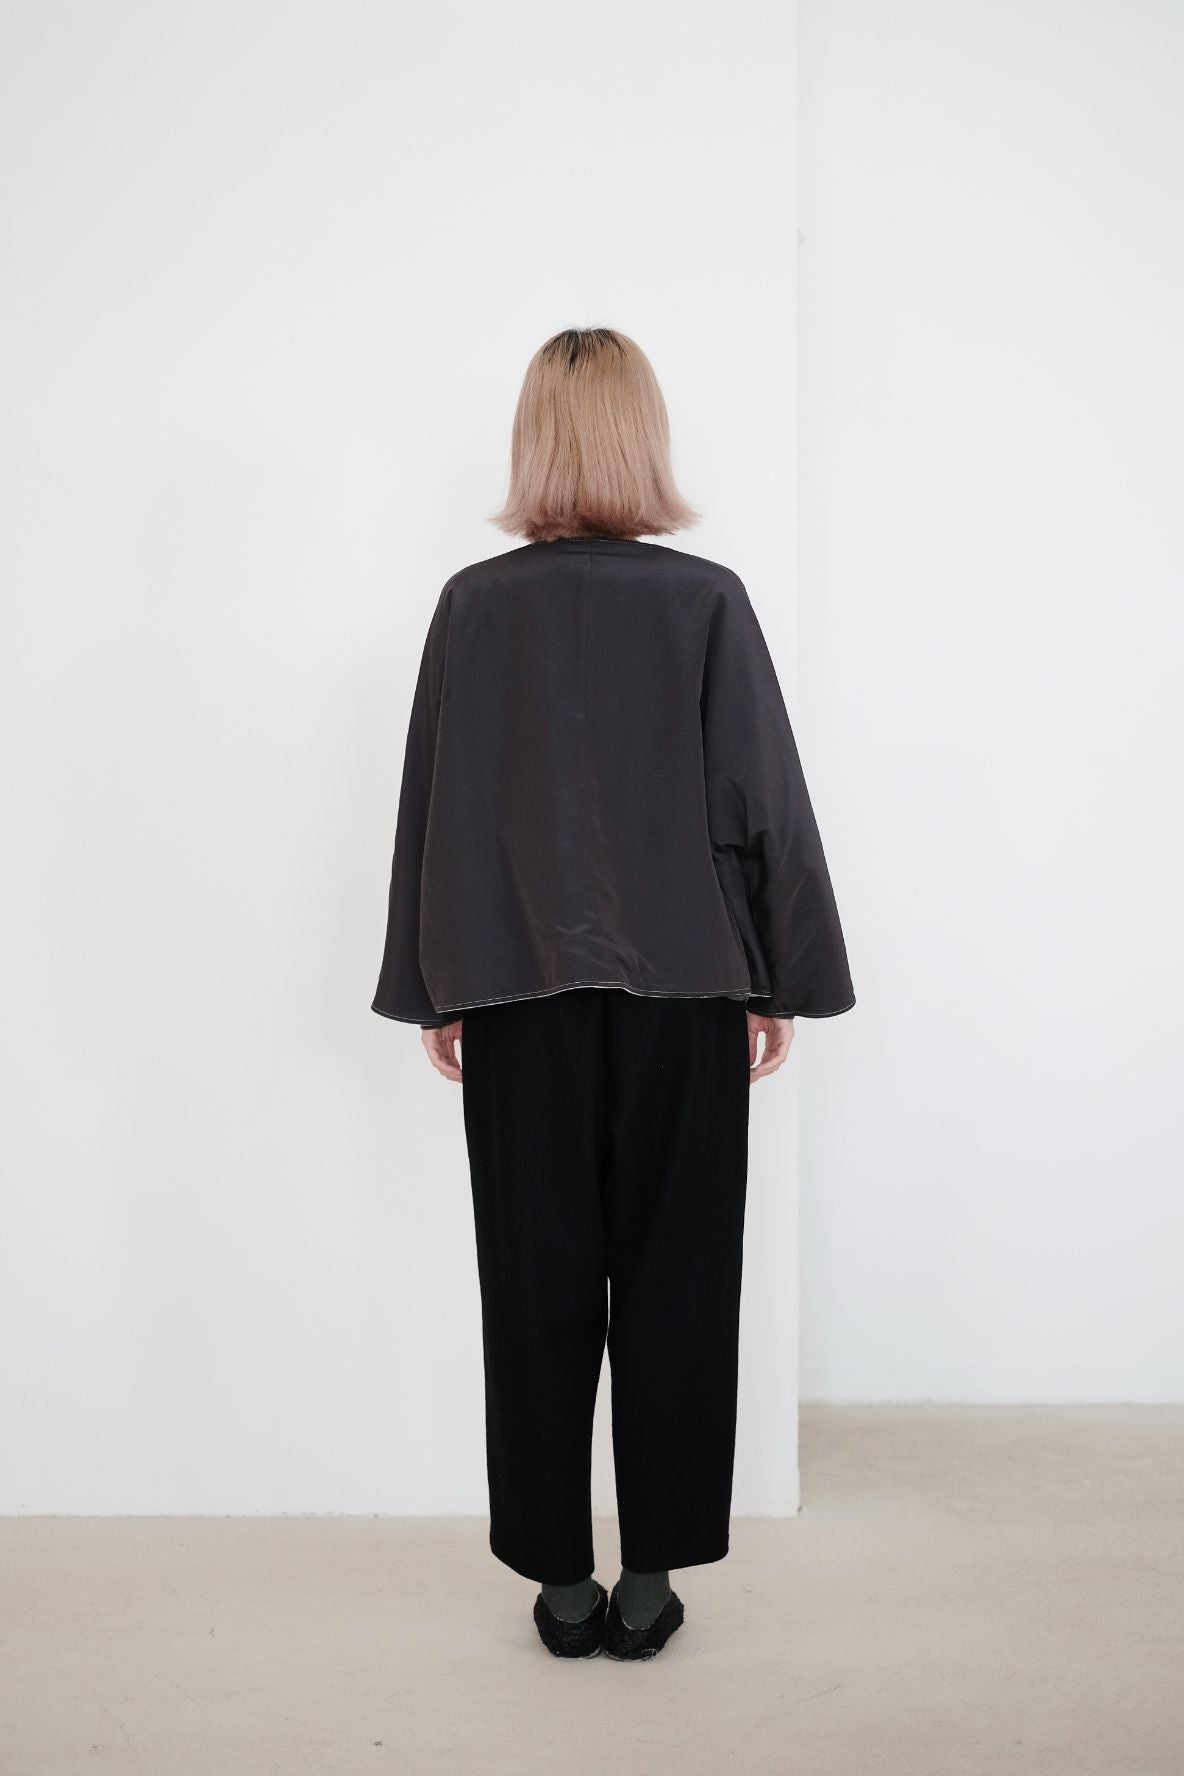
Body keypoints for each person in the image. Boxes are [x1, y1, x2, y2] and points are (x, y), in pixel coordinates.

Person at [372, 326, 854, 1661]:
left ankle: (560, 1580)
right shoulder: (705, 601)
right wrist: (780, 978)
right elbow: (762, 797)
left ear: (532, 439)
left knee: (533, 1287)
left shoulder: (475, 606)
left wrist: (438, 984)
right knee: (679, 1283)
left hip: (516, 995)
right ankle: (650, 1579)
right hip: (685, 990)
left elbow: (437, 809)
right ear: (647, 438)